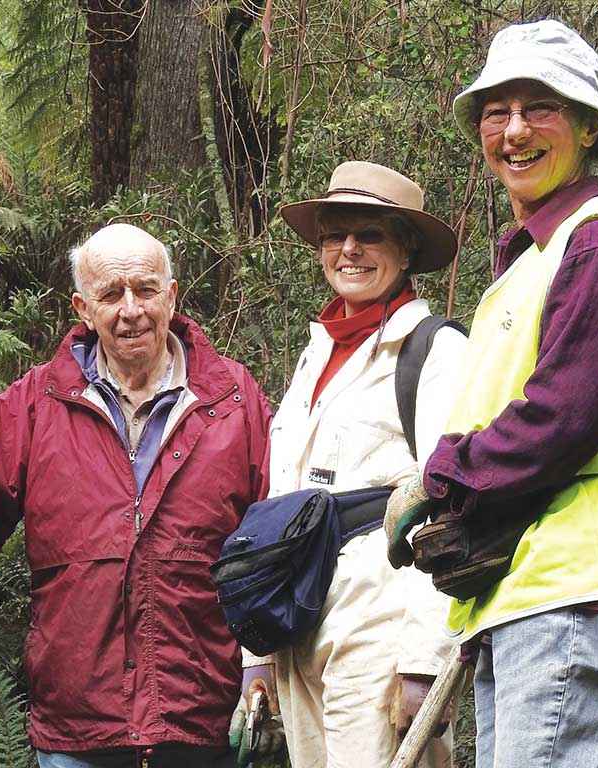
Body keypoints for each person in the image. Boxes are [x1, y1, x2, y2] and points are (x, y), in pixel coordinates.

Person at [384, 20, 598, 768]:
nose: (514, 131)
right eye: (497, 112)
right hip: (527, 595)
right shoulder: (532, 262)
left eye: (539, 107)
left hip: (573, 591)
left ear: (587, 128)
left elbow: (561, 420)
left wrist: (441, 477)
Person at [0, 223, 272, 768]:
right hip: (78, 726)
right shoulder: (38, 402)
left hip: (202, 721)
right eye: (111, 294)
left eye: (145, 289)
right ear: (83, 309)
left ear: (171, 296)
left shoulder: (234, 401)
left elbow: (278, 535)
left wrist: (266, 665)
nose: (131, 310)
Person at [236, 161, 468, 767]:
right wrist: (258, 657)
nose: (349, 250)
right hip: (299, 627)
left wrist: (425, 661)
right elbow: (280, 502)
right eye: (335, 234)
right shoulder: (315, 355)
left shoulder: (436, 351)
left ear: (406, 249)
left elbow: (452, 508)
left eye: (370, 235)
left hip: (381, 630)